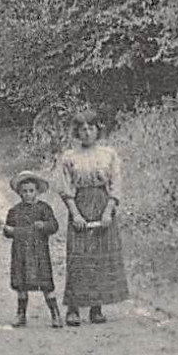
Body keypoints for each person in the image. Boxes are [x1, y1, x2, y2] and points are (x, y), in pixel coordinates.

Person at [56, 112, 129, 326]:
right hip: (79, 204)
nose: (87, 133)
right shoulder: (69, 157)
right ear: (76, 132)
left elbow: (116, 183)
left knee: (100, 257)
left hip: (103, 203)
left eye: (91, 128)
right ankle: (73, 308)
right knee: (79, 257)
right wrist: (75, 213)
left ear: (98, 130)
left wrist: (108, 211)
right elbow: (65, 188)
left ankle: (96, 308)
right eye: (82, 129)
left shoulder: (109, 154)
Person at [3, 170, 62, 328]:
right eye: (24, 191)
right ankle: (21, 314)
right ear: (19, 193)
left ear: (37, 191)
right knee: (21, 283)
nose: (27, 194)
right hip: (20, 252)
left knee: (46, 283)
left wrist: (44, 225)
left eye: (31, 191)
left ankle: (55, 314)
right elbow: (8, 230)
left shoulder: (44, 208)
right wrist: (8, 230)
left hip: (39, 252)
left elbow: (54, 226)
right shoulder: (14, 211)